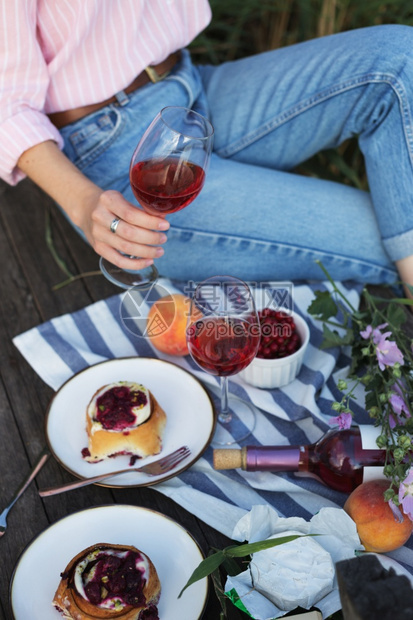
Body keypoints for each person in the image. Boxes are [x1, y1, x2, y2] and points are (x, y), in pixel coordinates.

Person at [1, 0, 413, 291]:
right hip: (110, 152)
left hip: (191, 88)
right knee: (387, 243)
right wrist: (86, 202)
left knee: (398, 56)